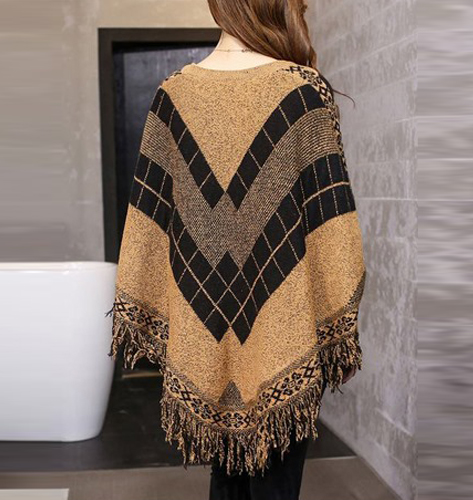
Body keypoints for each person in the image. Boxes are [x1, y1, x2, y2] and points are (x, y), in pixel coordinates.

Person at [107, 1, 366, 499]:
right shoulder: (303, 92)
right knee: (275, 482)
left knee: (225, 479)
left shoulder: (172, 96)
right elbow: (333, 230)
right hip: (283, 327)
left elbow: (146, 227)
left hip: (206, 326)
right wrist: (337, 324)